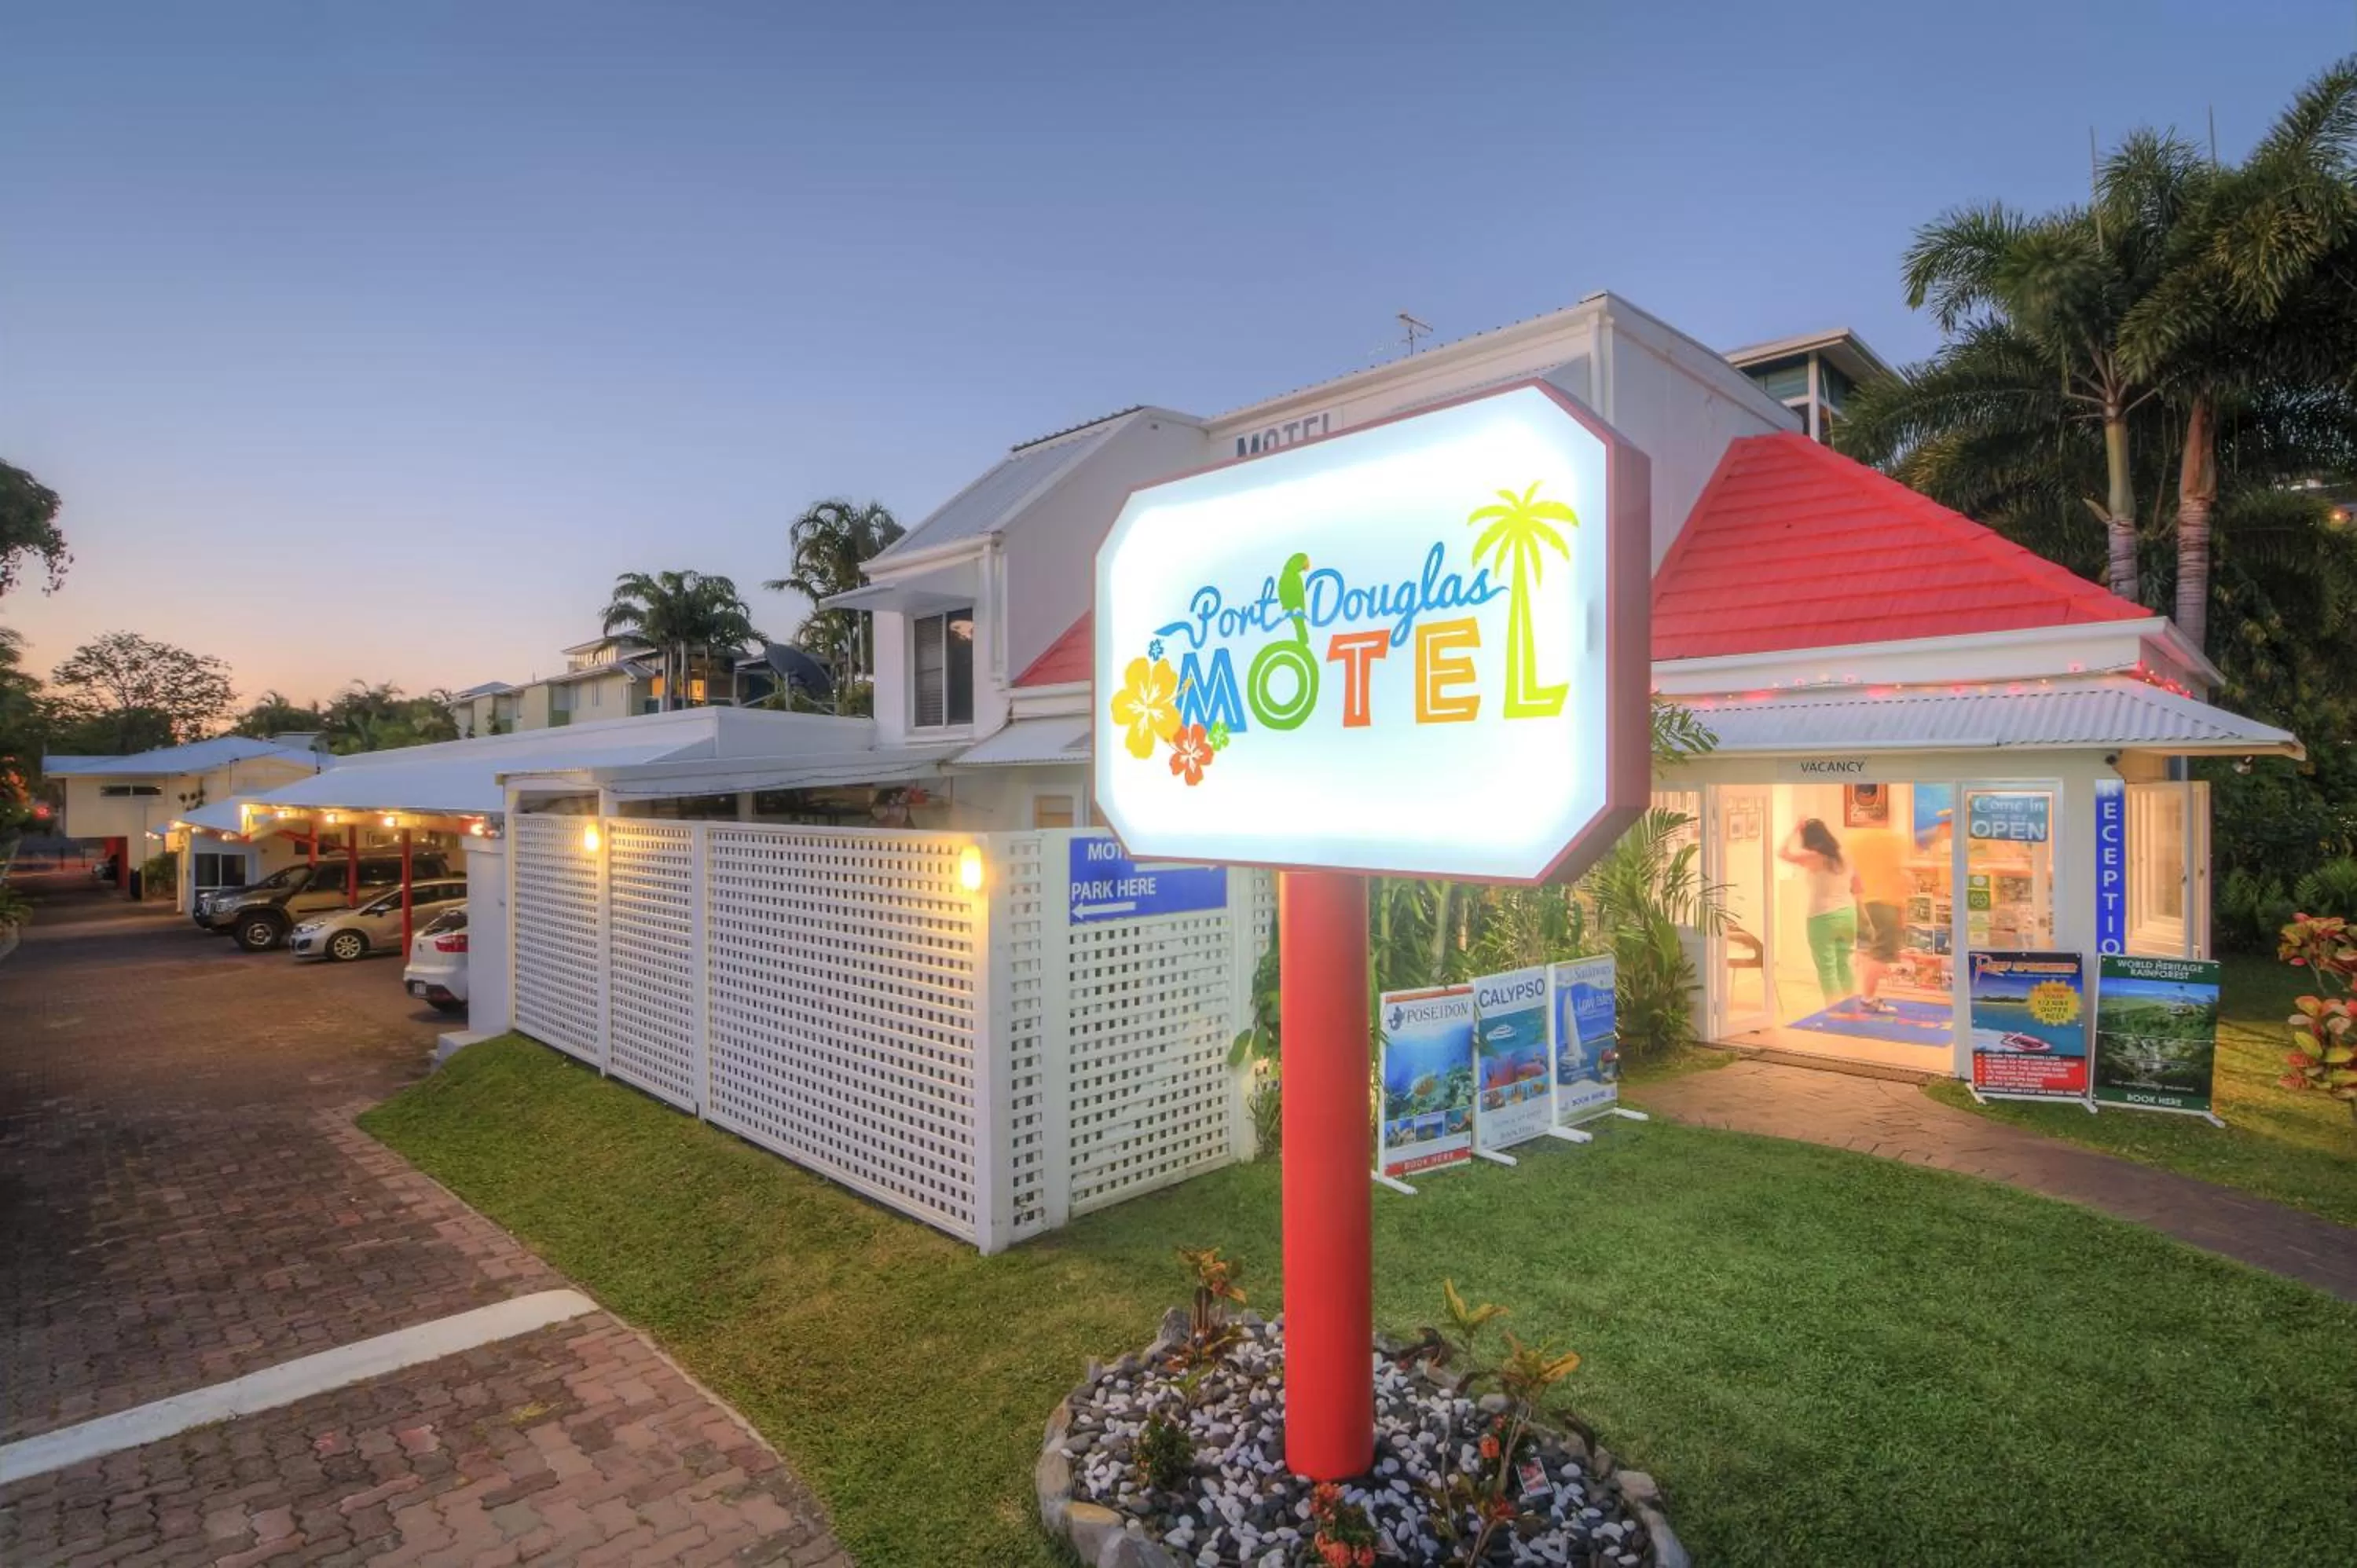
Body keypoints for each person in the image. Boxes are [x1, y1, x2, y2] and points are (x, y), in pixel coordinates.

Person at [1779, 818, 1855, 1006]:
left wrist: (1795, 830)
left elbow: (1782, 853)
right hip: (1848, 914)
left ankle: (1835, 1011)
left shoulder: (1813, 857)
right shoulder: (1844, 855)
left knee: (1827, 968)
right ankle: (1851, 1006)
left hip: (1823, 917)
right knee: (1843, 963)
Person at [1846, 823, 1911, 1016]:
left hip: (1864, 902)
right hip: (1885, 903)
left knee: (1870, 951)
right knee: (1882, 953)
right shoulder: (1893, 840)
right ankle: (1867, 999)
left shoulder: (1854, 839)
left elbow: (1851, 873)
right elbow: (1899, 873)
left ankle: (1865, 996)